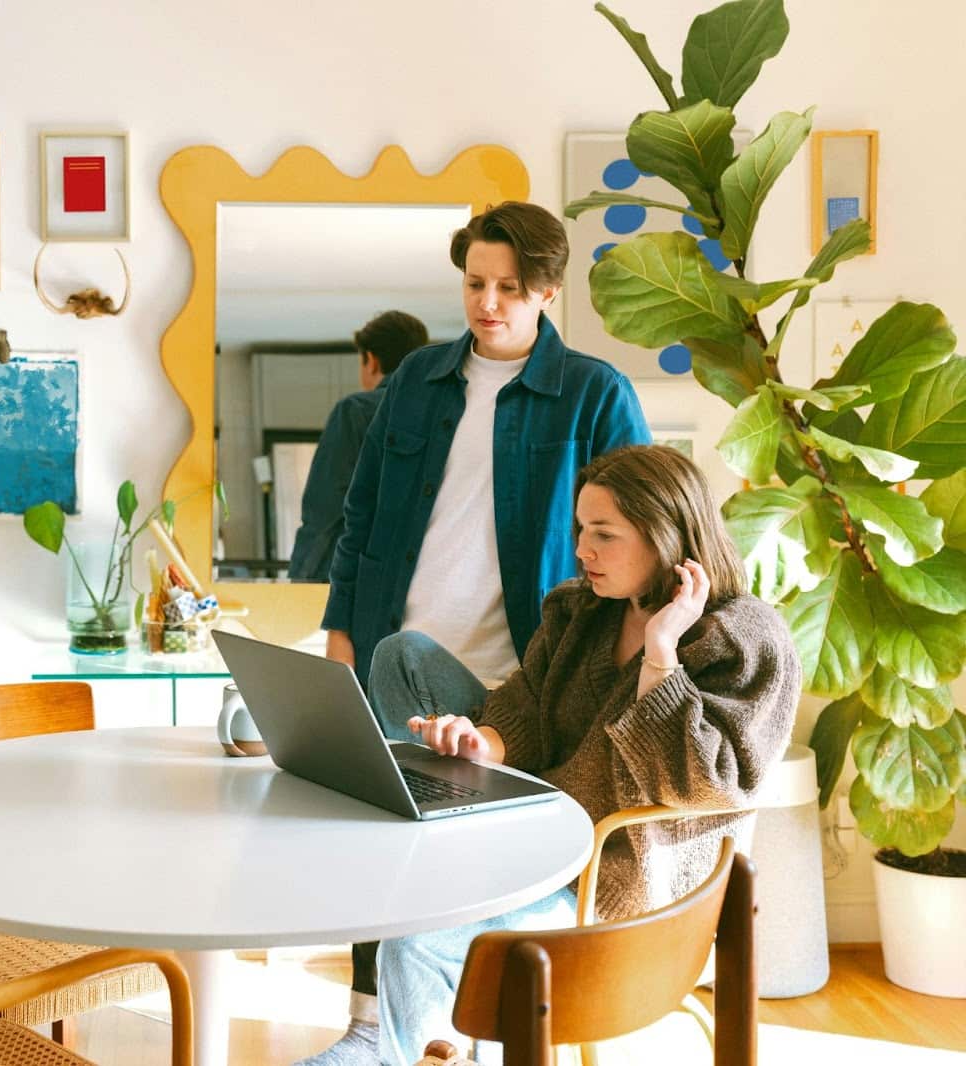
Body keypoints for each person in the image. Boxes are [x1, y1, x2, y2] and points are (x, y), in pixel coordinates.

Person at [302, 202, 650, 1066]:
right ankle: (375, 1028)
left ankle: (468, 1034)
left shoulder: (595, 393)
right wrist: (340, 636)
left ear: (547, 290)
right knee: (382, 842)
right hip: (403, 661)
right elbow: (361, 518)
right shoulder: (417, 380)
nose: (487, 303)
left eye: (507, 287)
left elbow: (641, 530)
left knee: (474, 866)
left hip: (521, 680)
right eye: (473, 284)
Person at [368, 445, 800, 1065]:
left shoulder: (747, 641)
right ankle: (446, 1043)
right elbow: (530, 701)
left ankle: (437, 1045)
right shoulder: (582, 610)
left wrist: (662, 652)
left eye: (604, 534)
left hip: (618, 874)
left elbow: (703, 786)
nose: (582, 550)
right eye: (580, 530)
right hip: (539, 822)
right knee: (402, 655)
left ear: (666, 536)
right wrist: (482, 742)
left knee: (413, 943)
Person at [289, 311, 430, 582]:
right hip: (426, 579)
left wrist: (300, 577)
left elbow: (324, 505)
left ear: (371, 360)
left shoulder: (355, 412)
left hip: (356, 576)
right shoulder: (446, 413)